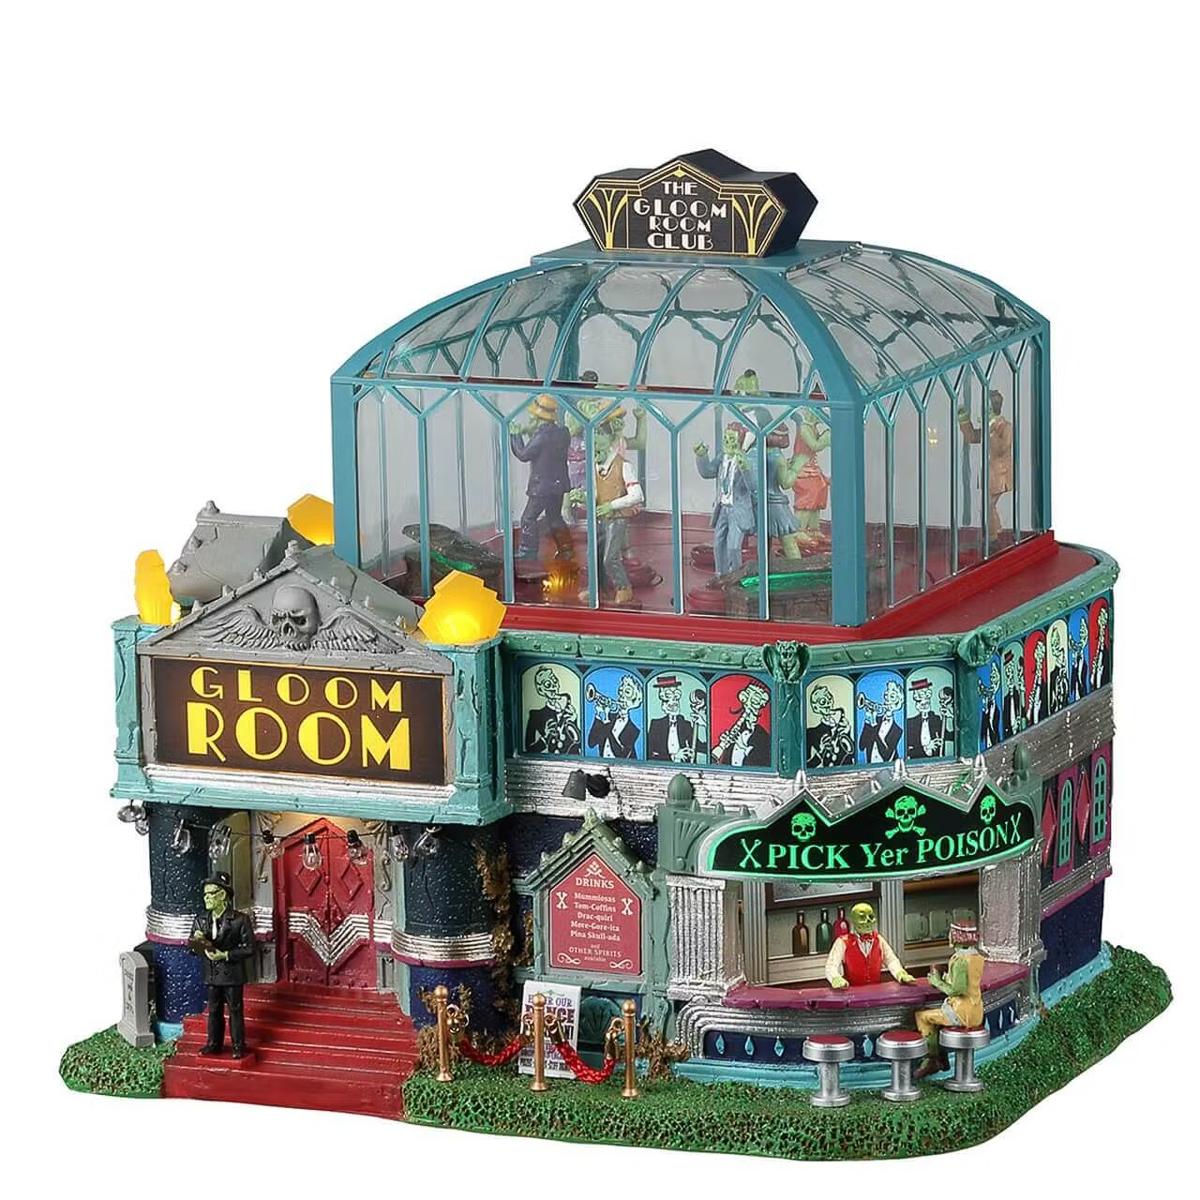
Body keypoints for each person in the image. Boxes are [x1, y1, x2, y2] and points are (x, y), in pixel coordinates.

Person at [570, 418, 643, 605]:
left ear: (611, 440)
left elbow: (637, 495)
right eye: (593, 436)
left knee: (610, 558)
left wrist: (611, 505)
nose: (595, 440)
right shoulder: (596, 467)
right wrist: (583, 497)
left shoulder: (624, 466)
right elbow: (595, 494)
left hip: (616, 519)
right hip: (599, 518)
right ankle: (597, 588)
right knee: (593, 555)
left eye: (600, 435)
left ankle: (623, 587)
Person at [188, 871, 254, 1059]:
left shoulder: (240, 920)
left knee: (235, 1010)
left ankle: (238, 1045)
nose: (206, 898)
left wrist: (225, 955)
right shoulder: (201, 920)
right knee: (214, 1010)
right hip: (211, 974)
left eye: (211, 894)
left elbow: (249, 948)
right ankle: (213, 1043)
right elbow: (191, 948)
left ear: (222, 894)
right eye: (205, 895)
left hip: (232, 974)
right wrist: (198, 942)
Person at [914, 919, 986, 1079]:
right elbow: (964, 982)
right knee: (937, 1020)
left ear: (956, 937)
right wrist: (945, 976)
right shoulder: (977, 957)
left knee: (922, 1016)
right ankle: (942, 1056)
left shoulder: (961, 961)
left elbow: (957, 990)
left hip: (962, 1012)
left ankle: (931, 1060)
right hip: (976, 1010)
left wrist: (936, 982)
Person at [509, 393, 573, 562]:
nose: (531, 418)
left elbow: (523, 454)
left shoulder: (541, 436)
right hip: (558, 485)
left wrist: (515, 436)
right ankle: (566, 549)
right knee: (555, 517)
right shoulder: (563, 433)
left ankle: (528, 550)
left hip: (542, 486)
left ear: (539, 417)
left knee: (528, 518)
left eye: (533, 416)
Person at [695, 423, 757, 577]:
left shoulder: (747, 460)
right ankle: (721, 574)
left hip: (738, 510)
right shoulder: (722, 457)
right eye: (726, 438)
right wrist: (701, 456)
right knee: (718, 543)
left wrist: (744, 468)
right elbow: (708, 472)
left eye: (732, 439)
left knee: (733, 547)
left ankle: (735, 575)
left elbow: (753, 486)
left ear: (740, 441)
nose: (728, 442)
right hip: (722, 508)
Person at [958, 388, 1013, 543]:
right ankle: (994, 533)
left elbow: (1002, 449)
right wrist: (964, 420)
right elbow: (972, 437)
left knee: (989, 506)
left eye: (986, 408)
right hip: (989, 475)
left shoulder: (1005, 427)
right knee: (988, 506)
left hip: (1000, 476)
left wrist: (990, 431)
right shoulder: (990, 427)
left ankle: (993, 537)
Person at [824, 902, 916, 988]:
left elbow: (891, 960)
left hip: (876, 993)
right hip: (853, 994)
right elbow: (831, 966)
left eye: (871, 917)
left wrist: (900, 974)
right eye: (862, 918)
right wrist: (835, 978)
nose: (868, 921)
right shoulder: (842, 942)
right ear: (854, 921)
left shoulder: (879, 939)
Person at [711, 680, 771, 767]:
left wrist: (744, 748)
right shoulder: (738, 729)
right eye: (746, 697)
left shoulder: (763, 736)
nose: (748, 704)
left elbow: (765, 763)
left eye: (754, 700)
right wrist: (723, 745)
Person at [647, 675, 701, 762]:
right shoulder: (656, 725)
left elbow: (699, 746)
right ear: (664, 704)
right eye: (669, 700)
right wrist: (674, 756)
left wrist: (704, 723)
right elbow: (650, 753)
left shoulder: (685, 725)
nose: (674, 703)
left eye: (676, 699)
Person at [587, 674, 643, 758]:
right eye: (620, 692)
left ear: (635, 700)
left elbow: (620, 754)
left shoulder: (633, 730)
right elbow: (591, 743)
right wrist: (598, 716)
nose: (622, 696)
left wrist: (606, 721)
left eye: (627, 692)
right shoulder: (609, 717)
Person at [905, 677, 945, 759]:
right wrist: (926, 747)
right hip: (916, 763)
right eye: (919, 700)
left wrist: (951, 715)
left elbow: (949, 735)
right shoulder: (910, 723)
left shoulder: (936, 719)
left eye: (926, 699)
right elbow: (908, 750)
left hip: (937, 762)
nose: (924, 703)